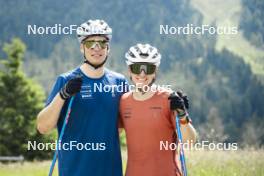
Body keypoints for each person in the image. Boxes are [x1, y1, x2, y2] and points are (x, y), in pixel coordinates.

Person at [37, 19, 128, 176]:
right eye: (90, 43)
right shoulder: (66, 80)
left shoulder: (119, 82)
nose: (96, 48)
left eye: (102, 43)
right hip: (74, 171)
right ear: (81, 48)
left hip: (110, 171)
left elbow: (121, 126)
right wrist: (62, 95)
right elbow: (43, 127)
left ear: (108, 48)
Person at [119, 43, 197, 176]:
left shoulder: (169, 99)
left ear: (155, 71)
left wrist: (183, 114)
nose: (142, 74)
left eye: (148, 68)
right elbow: (111, 135)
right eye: (137, 67)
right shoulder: (123, 101)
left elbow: (190, 141)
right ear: (129, 70)